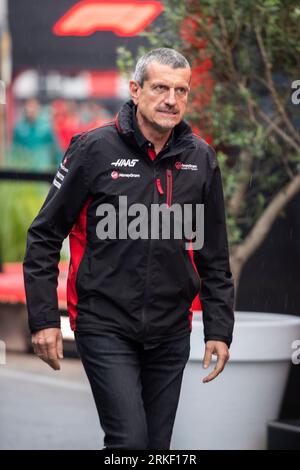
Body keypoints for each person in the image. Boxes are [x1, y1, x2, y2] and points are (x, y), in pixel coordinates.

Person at [23, 48, 235, 450]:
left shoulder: (201, 160)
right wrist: (44, 319)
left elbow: (214, 254)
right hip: (104, 323)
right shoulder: (92, 150)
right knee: (129, 443)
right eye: (160, 88)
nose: (171, 99)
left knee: (156, 450)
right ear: (135, 90)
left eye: (181, 90)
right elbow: (45, 234)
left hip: (171, 331)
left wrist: (219, 329)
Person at [11, 98, 62, 171]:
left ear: (38, 109)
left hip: (42, 168)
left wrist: (59, 168)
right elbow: (14, 150)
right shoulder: (19, 128)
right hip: (25, 168)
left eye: (33, 108)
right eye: (29, 107)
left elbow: (56, 150)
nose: (31, 110)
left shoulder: (46, 127)